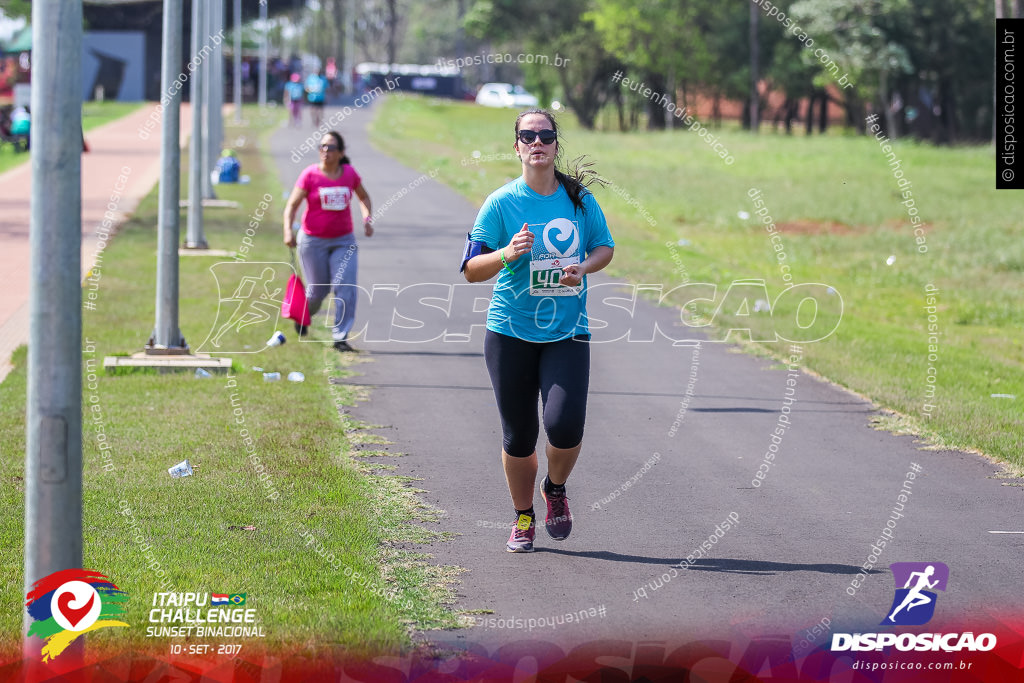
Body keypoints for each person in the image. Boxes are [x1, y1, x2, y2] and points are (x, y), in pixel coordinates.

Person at [461, 109, 615, 553]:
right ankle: (523, 517)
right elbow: (471, 270)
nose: (537, 142)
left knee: (564, 426)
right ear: (516, 147)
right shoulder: (500, 203)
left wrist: (582, 268)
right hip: (509, 331)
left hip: (568, 331)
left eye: (545, 135)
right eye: (527, 135)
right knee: (520, 435)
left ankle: (556, 489)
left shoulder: (578, 199)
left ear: (555, 144)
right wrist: (507, 252)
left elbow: (604, 246)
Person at [283, 131, 373, 352]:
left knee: (345, 287)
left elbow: (364, 197)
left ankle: (340, 337)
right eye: (322, 146)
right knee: (317, 291)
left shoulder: (349, 174)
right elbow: (292, 206)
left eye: (330, 147)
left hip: (343, 241)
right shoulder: (309, 175)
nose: (325, 151)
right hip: (313, 241)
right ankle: (303, 317)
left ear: (341, 153)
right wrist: (288, 230)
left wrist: (367, 218)